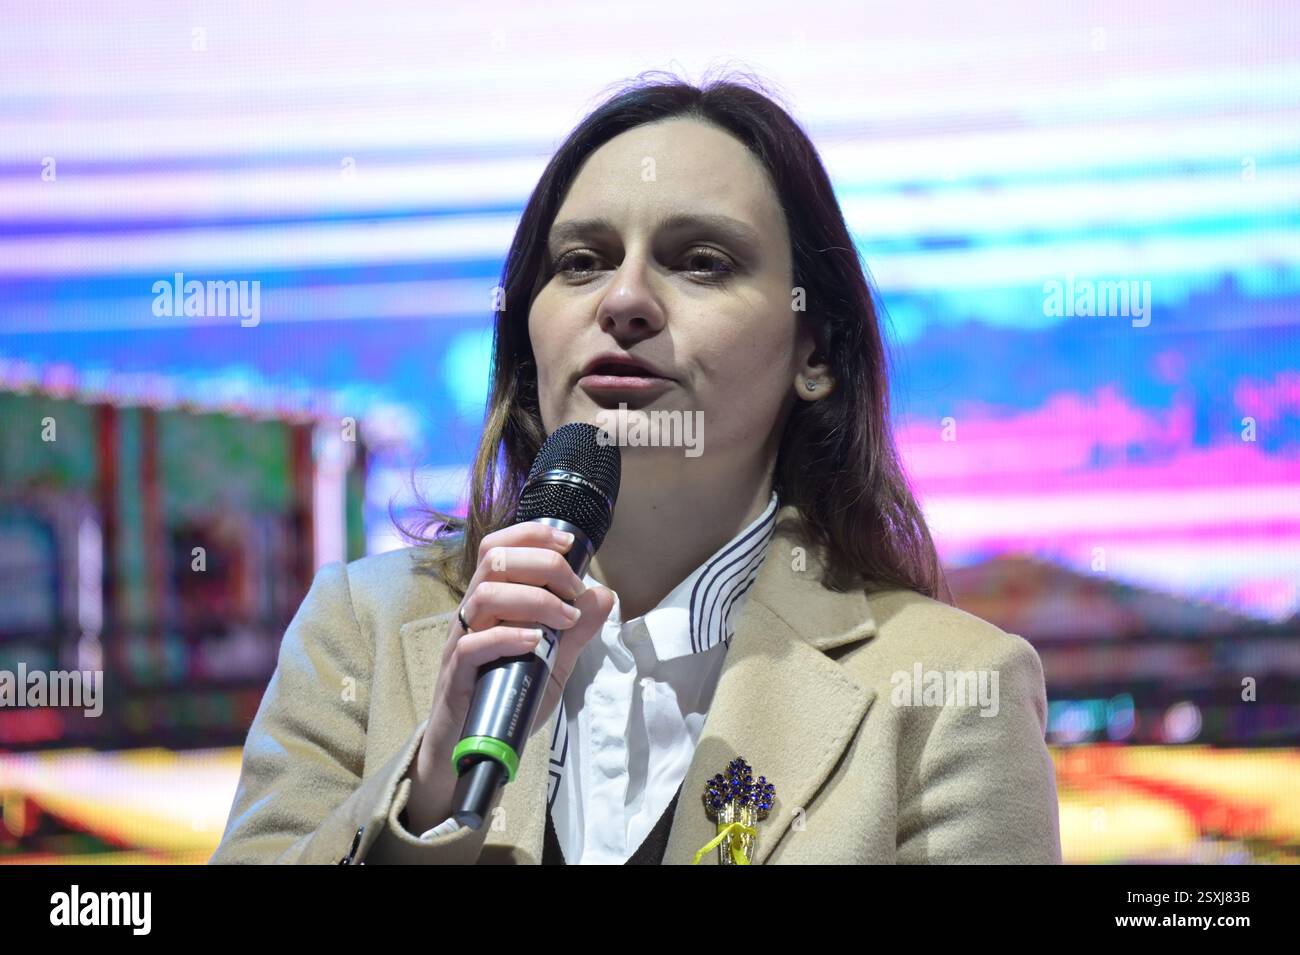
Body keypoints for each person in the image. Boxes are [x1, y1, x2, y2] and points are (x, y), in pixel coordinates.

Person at [210, 71, 1062, 865]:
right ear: (526, 340)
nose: (623, 300)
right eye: (581, 262)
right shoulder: (359, 627)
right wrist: (429, 790)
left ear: (816, 350)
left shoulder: (951, 693)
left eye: (701, 262)